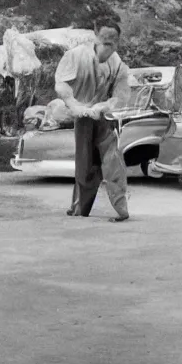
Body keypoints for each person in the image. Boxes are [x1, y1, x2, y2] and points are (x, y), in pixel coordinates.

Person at [55, 21, 132, 222]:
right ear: (96, 36)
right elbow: (61, 84)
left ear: (118, 42)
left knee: (112, 161)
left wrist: (105, 106)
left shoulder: (119, 65)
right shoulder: (76, 56)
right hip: (82, 117)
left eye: (113, 39)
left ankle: (121, 210)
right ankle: (80, 208)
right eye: (105, 38)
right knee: (85, 165)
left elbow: (121, 95)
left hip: (104, 119)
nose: (109, 42)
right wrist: (74, 105)